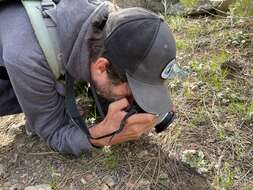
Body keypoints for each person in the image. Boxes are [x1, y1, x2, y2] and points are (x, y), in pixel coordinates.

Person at [0, 0, 176, 156]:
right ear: (101, 67)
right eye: (133, 91)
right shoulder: (30, 58)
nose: (132, 100)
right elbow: (55, 133)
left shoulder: (101, 18)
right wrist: (102, 137)